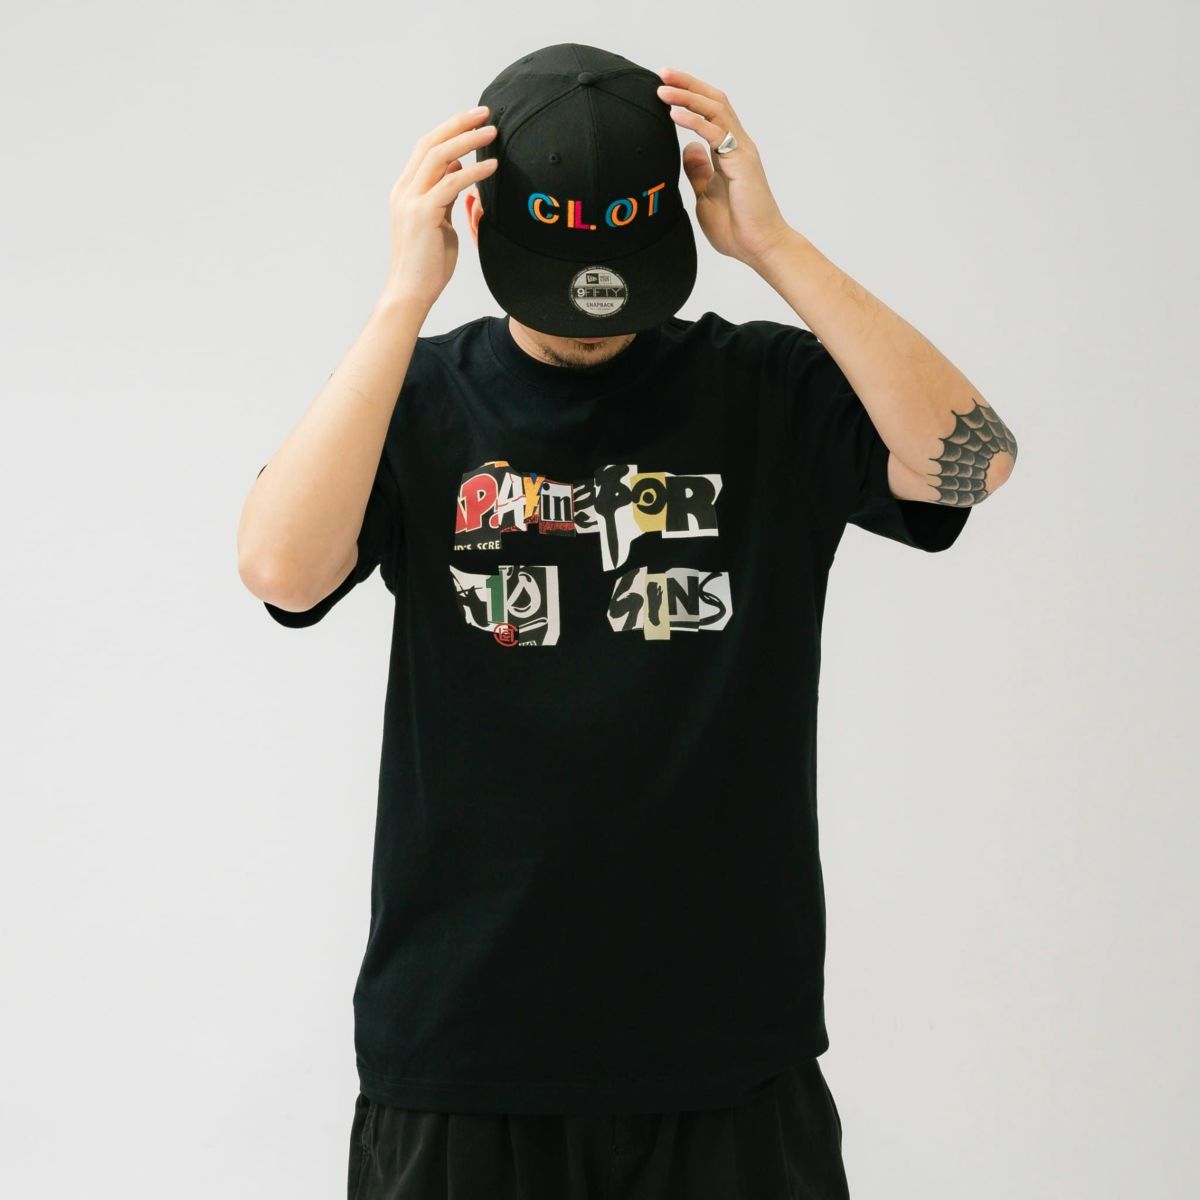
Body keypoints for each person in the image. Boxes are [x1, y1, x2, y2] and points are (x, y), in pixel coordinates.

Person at [237, 42, 1017, 1200]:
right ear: (483, 225)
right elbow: (282, 571)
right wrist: (404, 296)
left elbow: (974, 461)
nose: (591, 319)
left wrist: (775, 246)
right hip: (464, 1056)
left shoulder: (766, 390)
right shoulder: (418, 401)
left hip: (727, 1063)